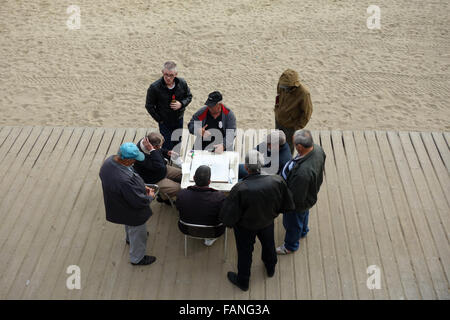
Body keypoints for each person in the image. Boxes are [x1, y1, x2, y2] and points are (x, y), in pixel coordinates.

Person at [220, 150, 295, 291]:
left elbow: (228, 216)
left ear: (246, 168)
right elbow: (287, 203)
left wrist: (229, 222)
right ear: (262, 166)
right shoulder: (276, 180)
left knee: (244, 252)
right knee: (268, 244)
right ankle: (270, 267)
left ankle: (243, 281)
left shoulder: (239, 188)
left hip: (245, 227)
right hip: (267, 221)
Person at [99, 142, 157, 266]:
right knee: (138, 230)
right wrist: (150, 197)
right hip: (131, 210)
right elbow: (139, 201)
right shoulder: (123, 181)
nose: (135, 162)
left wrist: (141, 186)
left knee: (128, 223)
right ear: (126, 160)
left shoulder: (109, 161)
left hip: (119, 204)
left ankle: (129, 239)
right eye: (134, 160)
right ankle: (137, 258)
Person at [276, 129, 326, 255]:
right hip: (309, 195)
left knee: (293, 223)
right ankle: (303, 231)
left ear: (299, 147)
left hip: (298, 202)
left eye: (294, 144)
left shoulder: (302, 174)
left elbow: (296, 198)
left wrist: (285, 204)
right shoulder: (318, 149)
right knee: (303, 214)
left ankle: (290, 246)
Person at [145, 61, 193, 150]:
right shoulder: (154, 87)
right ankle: (166, 159)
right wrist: (159, 119)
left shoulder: (182, 83)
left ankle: (176, 157)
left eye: (171, 75)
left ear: (176, 74)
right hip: (164, 121)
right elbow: (149, 105)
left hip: (178, 118)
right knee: (166, 142)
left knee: (177, 140)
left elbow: (189, 96)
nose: (168, 78)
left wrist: (181, 104)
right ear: (162, 72)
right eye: (166, 74)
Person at [176, 165, 227, 246]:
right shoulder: (219, 197)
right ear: (209, 182)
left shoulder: (182, 194)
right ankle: (209, 239)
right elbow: (225, 215)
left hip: (186, 229)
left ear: (193, 178)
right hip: (214, 231)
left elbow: (178, 208)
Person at [133, 132, 182, 205]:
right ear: (152, 147)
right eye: (160, 146)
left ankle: (164, 195)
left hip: (162, 169)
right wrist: (153, 151)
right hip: (154, 179)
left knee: (183, 174)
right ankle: (163, 197)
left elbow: (159, 151)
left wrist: (166, 152)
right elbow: (160, 167)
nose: (161, 147)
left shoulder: (147, 142)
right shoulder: (140, 157)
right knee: (180, 189)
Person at [274, 69, 313, 154]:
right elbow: (278, 97)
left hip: (290, 127)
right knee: (277, 141)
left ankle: (286, 163)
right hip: (279, 121)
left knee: (288, 147)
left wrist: (297, 127)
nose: (283, 88)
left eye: (286, 87)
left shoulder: (304, 94)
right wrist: (277, 110)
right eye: (282, 86)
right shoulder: (281, 85)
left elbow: (307, 113)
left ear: (293, 85)